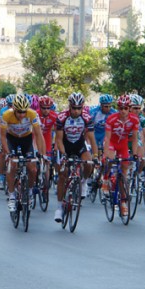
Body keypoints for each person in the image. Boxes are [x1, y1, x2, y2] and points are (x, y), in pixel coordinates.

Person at [53, 92, 98, 223]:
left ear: (83, 107)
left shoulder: (87, 118)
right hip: (65, 145)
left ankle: (82, 182)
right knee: (63, 174)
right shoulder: (61, 117)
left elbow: (92, 139)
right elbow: (59, 140)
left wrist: (95, 156)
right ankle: (59, 208)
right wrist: (64, 155)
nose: (77, 111)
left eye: (79, 108)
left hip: (79, 144)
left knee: (89, 163)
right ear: (69, 106)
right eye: (74, 108)